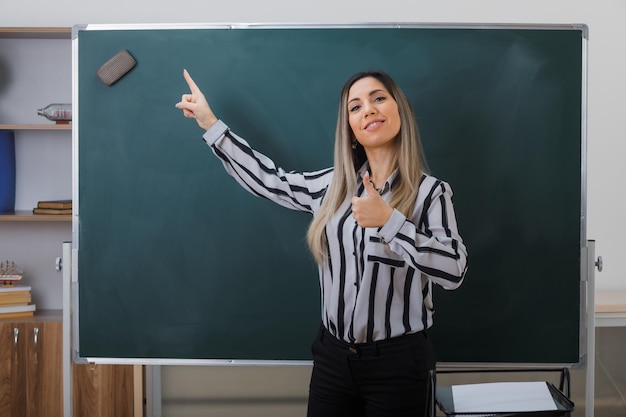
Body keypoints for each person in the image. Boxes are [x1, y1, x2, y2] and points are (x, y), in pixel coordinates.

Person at [176, 68, 468, 417]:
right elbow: (270, 181)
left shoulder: (431, 193)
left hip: (399, 366)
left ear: (399, 111)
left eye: (378, 99)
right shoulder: (332, 187)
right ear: (351, 131)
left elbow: (454, 271)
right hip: (333, 359)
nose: (369, 110)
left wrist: (390, 222)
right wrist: (211, 124)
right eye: (355, 107)